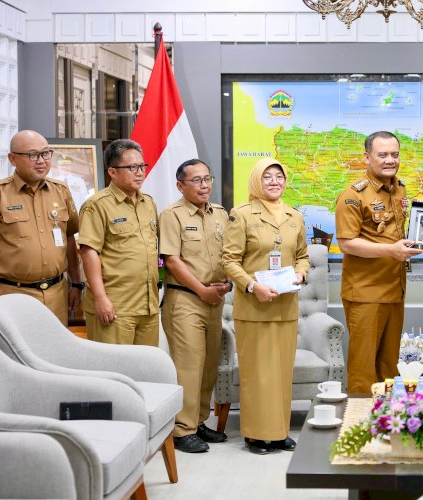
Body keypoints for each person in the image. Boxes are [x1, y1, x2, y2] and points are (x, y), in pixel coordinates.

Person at [222, 157, 309, 455]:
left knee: (282, 374)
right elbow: (229, 260)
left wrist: (301, 273)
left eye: (279, 176)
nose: (274, 182)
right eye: (267, 177)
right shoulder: (241, 215)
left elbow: (302, 255)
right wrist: (252, 286)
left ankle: (279, 432)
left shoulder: (294, 216)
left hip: (286, 307)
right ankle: (256, 435)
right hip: (254, 308)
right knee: (258, 374)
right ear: (256, 181)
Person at [335, 131, 423, 394]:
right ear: (367, 158)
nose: (390, 160)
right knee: (363, 371)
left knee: (389, 369)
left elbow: (394, 234)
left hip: (395, 290)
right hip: (366, 293)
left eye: (394, 154)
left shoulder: (400, 189)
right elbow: (347, 243)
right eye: (382, 155)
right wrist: (392, 251)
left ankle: (386, 417)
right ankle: (360, 419)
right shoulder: (353, 195)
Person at [159, 159, 231, 453]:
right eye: (197, 180)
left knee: (208, 365)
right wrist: (202, 290)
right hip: (185, 300)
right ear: (180, 186)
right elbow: (171, 261)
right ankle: (181, 429)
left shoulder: (221, 214)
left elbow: (230, 254)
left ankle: (198, 421)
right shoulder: (172, 215)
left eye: (207, 179)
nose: (204, 186)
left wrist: (227, 284)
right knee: (188, 365)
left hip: (215, 299)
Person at [78, 139, 159, 345]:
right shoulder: (97, 205)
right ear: (112, 172)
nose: (140, 173)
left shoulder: (148, 202)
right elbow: (89, 252)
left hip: (148, 306)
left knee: (147, 364)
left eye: (142, 166)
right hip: (115, 306)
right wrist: (100, 297)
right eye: (132, 167)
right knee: (115, 364)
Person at [0, 130, 82, 325]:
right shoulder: (0, 194)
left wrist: (76, 283)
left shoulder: (61, 191)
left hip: (56, 295)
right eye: (33, 155)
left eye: (45, 153)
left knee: (55, 344)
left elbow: (69, 237)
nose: (41, 160)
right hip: (12, 295)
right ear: (12, 159)